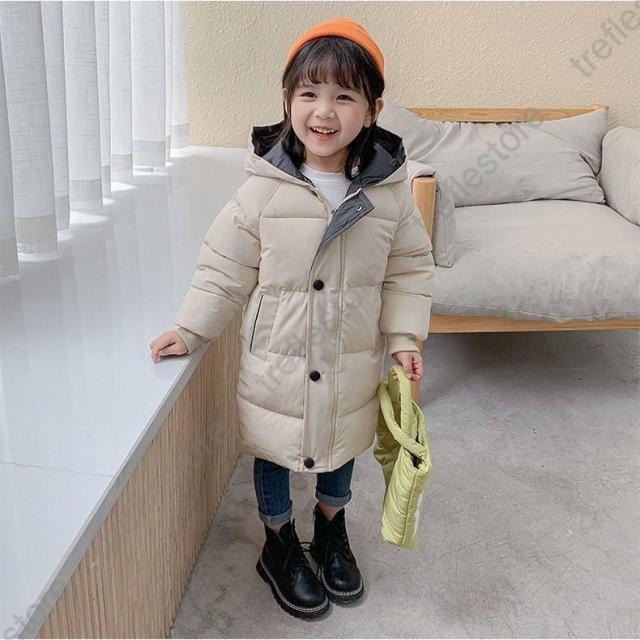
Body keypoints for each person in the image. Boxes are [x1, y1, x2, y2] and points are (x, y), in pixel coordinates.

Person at [149, 17, 435, 619]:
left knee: (343, 440)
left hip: (350, 353)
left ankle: (331, 530)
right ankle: (278, 541)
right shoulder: (264, 188)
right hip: (277, 356)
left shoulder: (387, 192)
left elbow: (409, 267)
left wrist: (405, 336)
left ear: (373, 110)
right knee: (274, 447)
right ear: (287, 101)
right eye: (309, 93)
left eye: (344, 96)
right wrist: (190, 328)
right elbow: (223, 265)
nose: (324, 111)